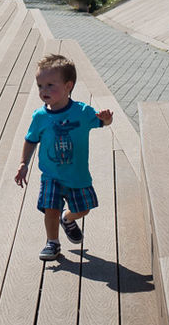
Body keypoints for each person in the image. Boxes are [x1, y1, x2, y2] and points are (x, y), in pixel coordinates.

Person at [14, 54, 112, 261]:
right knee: (50, 209)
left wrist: (106, 119)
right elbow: (30, 140)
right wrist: (24, 163)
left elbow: (102, 123)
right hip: (51, 175)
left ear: (68, 86)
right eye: (40, 86)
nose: (44, 90)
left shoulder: (82, 112)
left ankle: (67, 218)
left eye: (50, 85)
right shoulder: (40, 117)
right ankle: (52, 242)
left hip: (77, 175)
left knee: (83, 209)